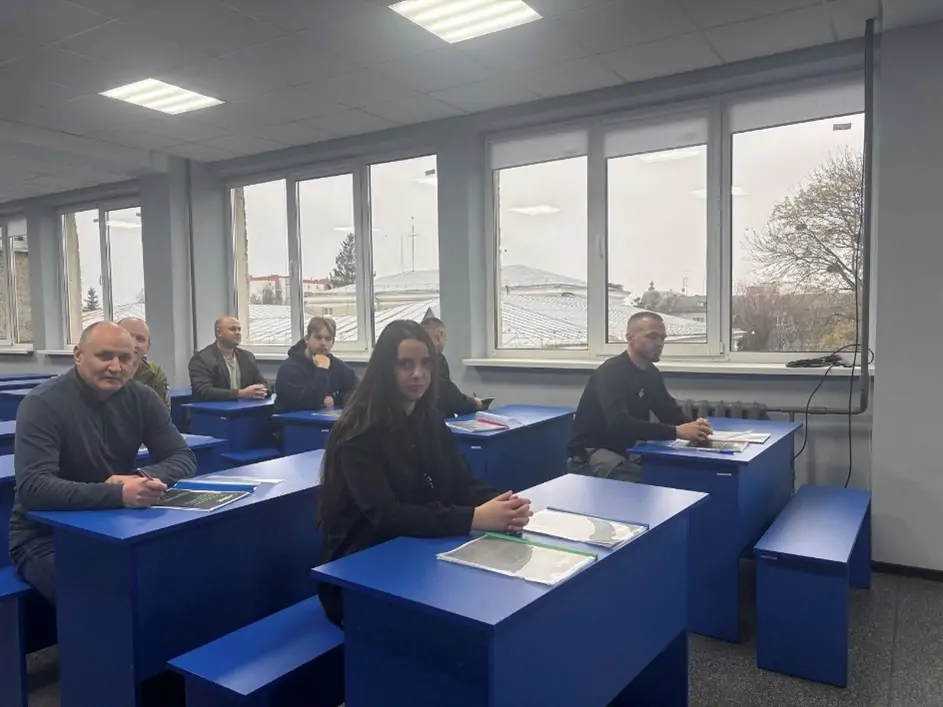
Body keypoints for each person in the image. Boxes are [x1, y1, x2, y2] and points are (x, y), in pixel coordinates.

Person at [317, 320, 532, 627]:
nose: (418, 374)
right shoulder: (358, 431)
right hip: (358, 572)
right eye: (405, 364)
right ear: (385, 369)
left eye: (425, 364)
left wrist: (503, 504)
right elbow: (387, 515)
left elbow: (460, 480)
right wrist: (473, 517)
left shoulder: (427, 418)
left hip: (416, 552)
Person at [9, 321, 196, 604]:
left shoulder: (143, 398)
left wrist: (140, 478)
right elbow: (34, 488)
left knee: (178, 574)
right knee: (110, 595)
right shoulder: (42, 403)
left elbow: (183, 456)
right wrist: (117, 494)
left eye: (126, 358)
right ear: (78, 355)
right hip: (46, 537)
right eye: (104, 356)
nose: (115, 367)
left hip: (116, 523)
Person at [567, 311, 712, 483]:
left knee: (673, 470)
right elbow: (620, 424)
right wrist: (676, 432)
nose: (659, 343)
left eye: (662, 338)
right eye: (652, 336)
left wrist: (696, 428)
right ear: (630, 338)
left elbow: (669, 412)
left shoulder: (650, 373)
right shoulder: (611, 372)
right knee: (643, 479)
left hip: (625, 448)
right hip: (591, 452)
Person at [274, 316, 358, 414]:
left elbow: (358, 391)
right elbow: (308, 402)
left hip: (324, 420)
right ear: (307, 339)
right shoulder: (289, 369)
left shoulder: (337, 365)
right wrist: (322, 370)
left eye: (328, 339)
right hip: (292, 421)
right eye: (318, 337)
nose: (323, 343)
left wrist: (336, 400)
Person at [189, 316, 271, 402]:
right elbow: (203, 391)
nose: (237, 333)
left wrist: (262, 390)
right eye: (232, 329)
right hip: (215, 408)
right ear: (219, 332)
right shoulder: (202, 359)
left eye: (239, 329)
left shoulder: (247, 357)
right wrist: (241, 394)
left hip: (245, 406)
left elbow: (263, 383)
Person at [420, 316, 483, 417]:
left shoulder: (417, 360)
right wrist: (474, 403)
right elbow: (448, 395)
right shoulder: (436, 360)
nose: (445, 342)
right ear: (439, 336)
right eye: (445, 338)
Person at [118, 316, 170, 410]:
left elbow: (160, 413)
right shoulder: (101, 369)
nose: (133, 344)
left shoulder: (155, 373)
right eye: (127, 337)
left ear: (148, 347)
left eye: (140, 339)